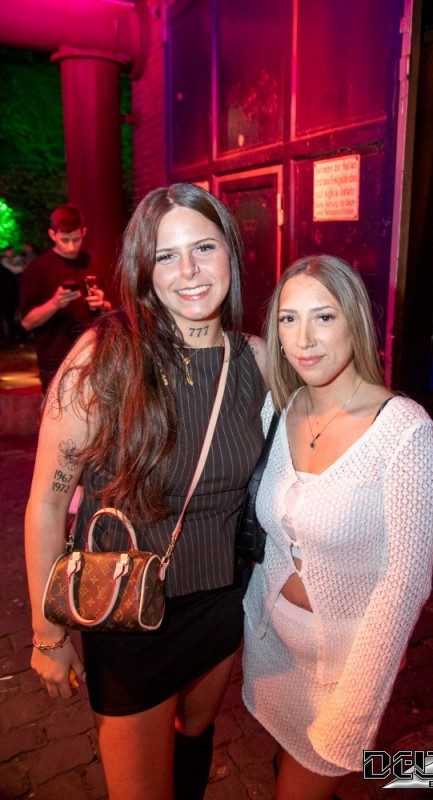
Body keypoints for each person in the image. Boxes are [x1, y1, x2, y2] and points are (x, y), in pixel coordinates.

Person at [24, 183, 267, 800]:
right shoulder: (103, 359)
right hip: (126, 614)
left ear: (230, 252)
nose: (189, 271)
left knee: (195, 736)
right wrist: (49, 635)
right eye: (166, 255)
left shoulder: (259, 361)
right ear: (144, 269)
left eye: (204, 247)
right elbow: (47, 502)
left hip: (219, 601)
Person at [242, 255, 433, 800]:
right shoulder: (279, 409)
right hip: (271, 647)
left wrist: (358, 703)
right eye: (288, 319)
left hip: (344, 667)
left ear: (355, 321)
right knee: (288, 761)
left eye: (324, 317)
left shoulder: (402, 432)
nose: (304, 339)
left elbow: (405, 583)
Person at [19, 204, 112, 392]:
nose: (71, 246)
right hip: (55, 363)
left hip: (93, 358)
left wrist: (102, 304)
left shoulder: (93, 264)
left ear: (83, 232)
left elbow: (114, 310)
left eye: (76, 239)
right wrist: (55, 303)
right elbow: (27, 322)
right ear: (52, 235)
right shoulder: (38, 269)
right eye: (65, 240)